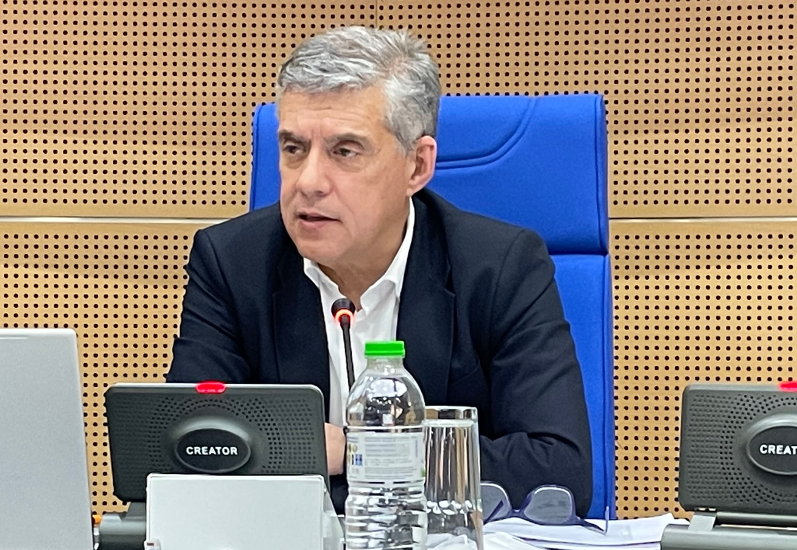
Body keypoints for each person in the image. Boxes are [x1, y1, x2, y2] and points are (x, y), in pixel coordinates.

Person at [167, 25, 593, 516]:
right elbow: (188, 450)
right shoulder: (231, 263)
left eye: (345, 151)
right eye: (293, 149)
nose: (309, 182)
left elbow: (559, 470)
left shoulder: (500, 268)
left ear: (417, 166)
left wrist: (356, 450)